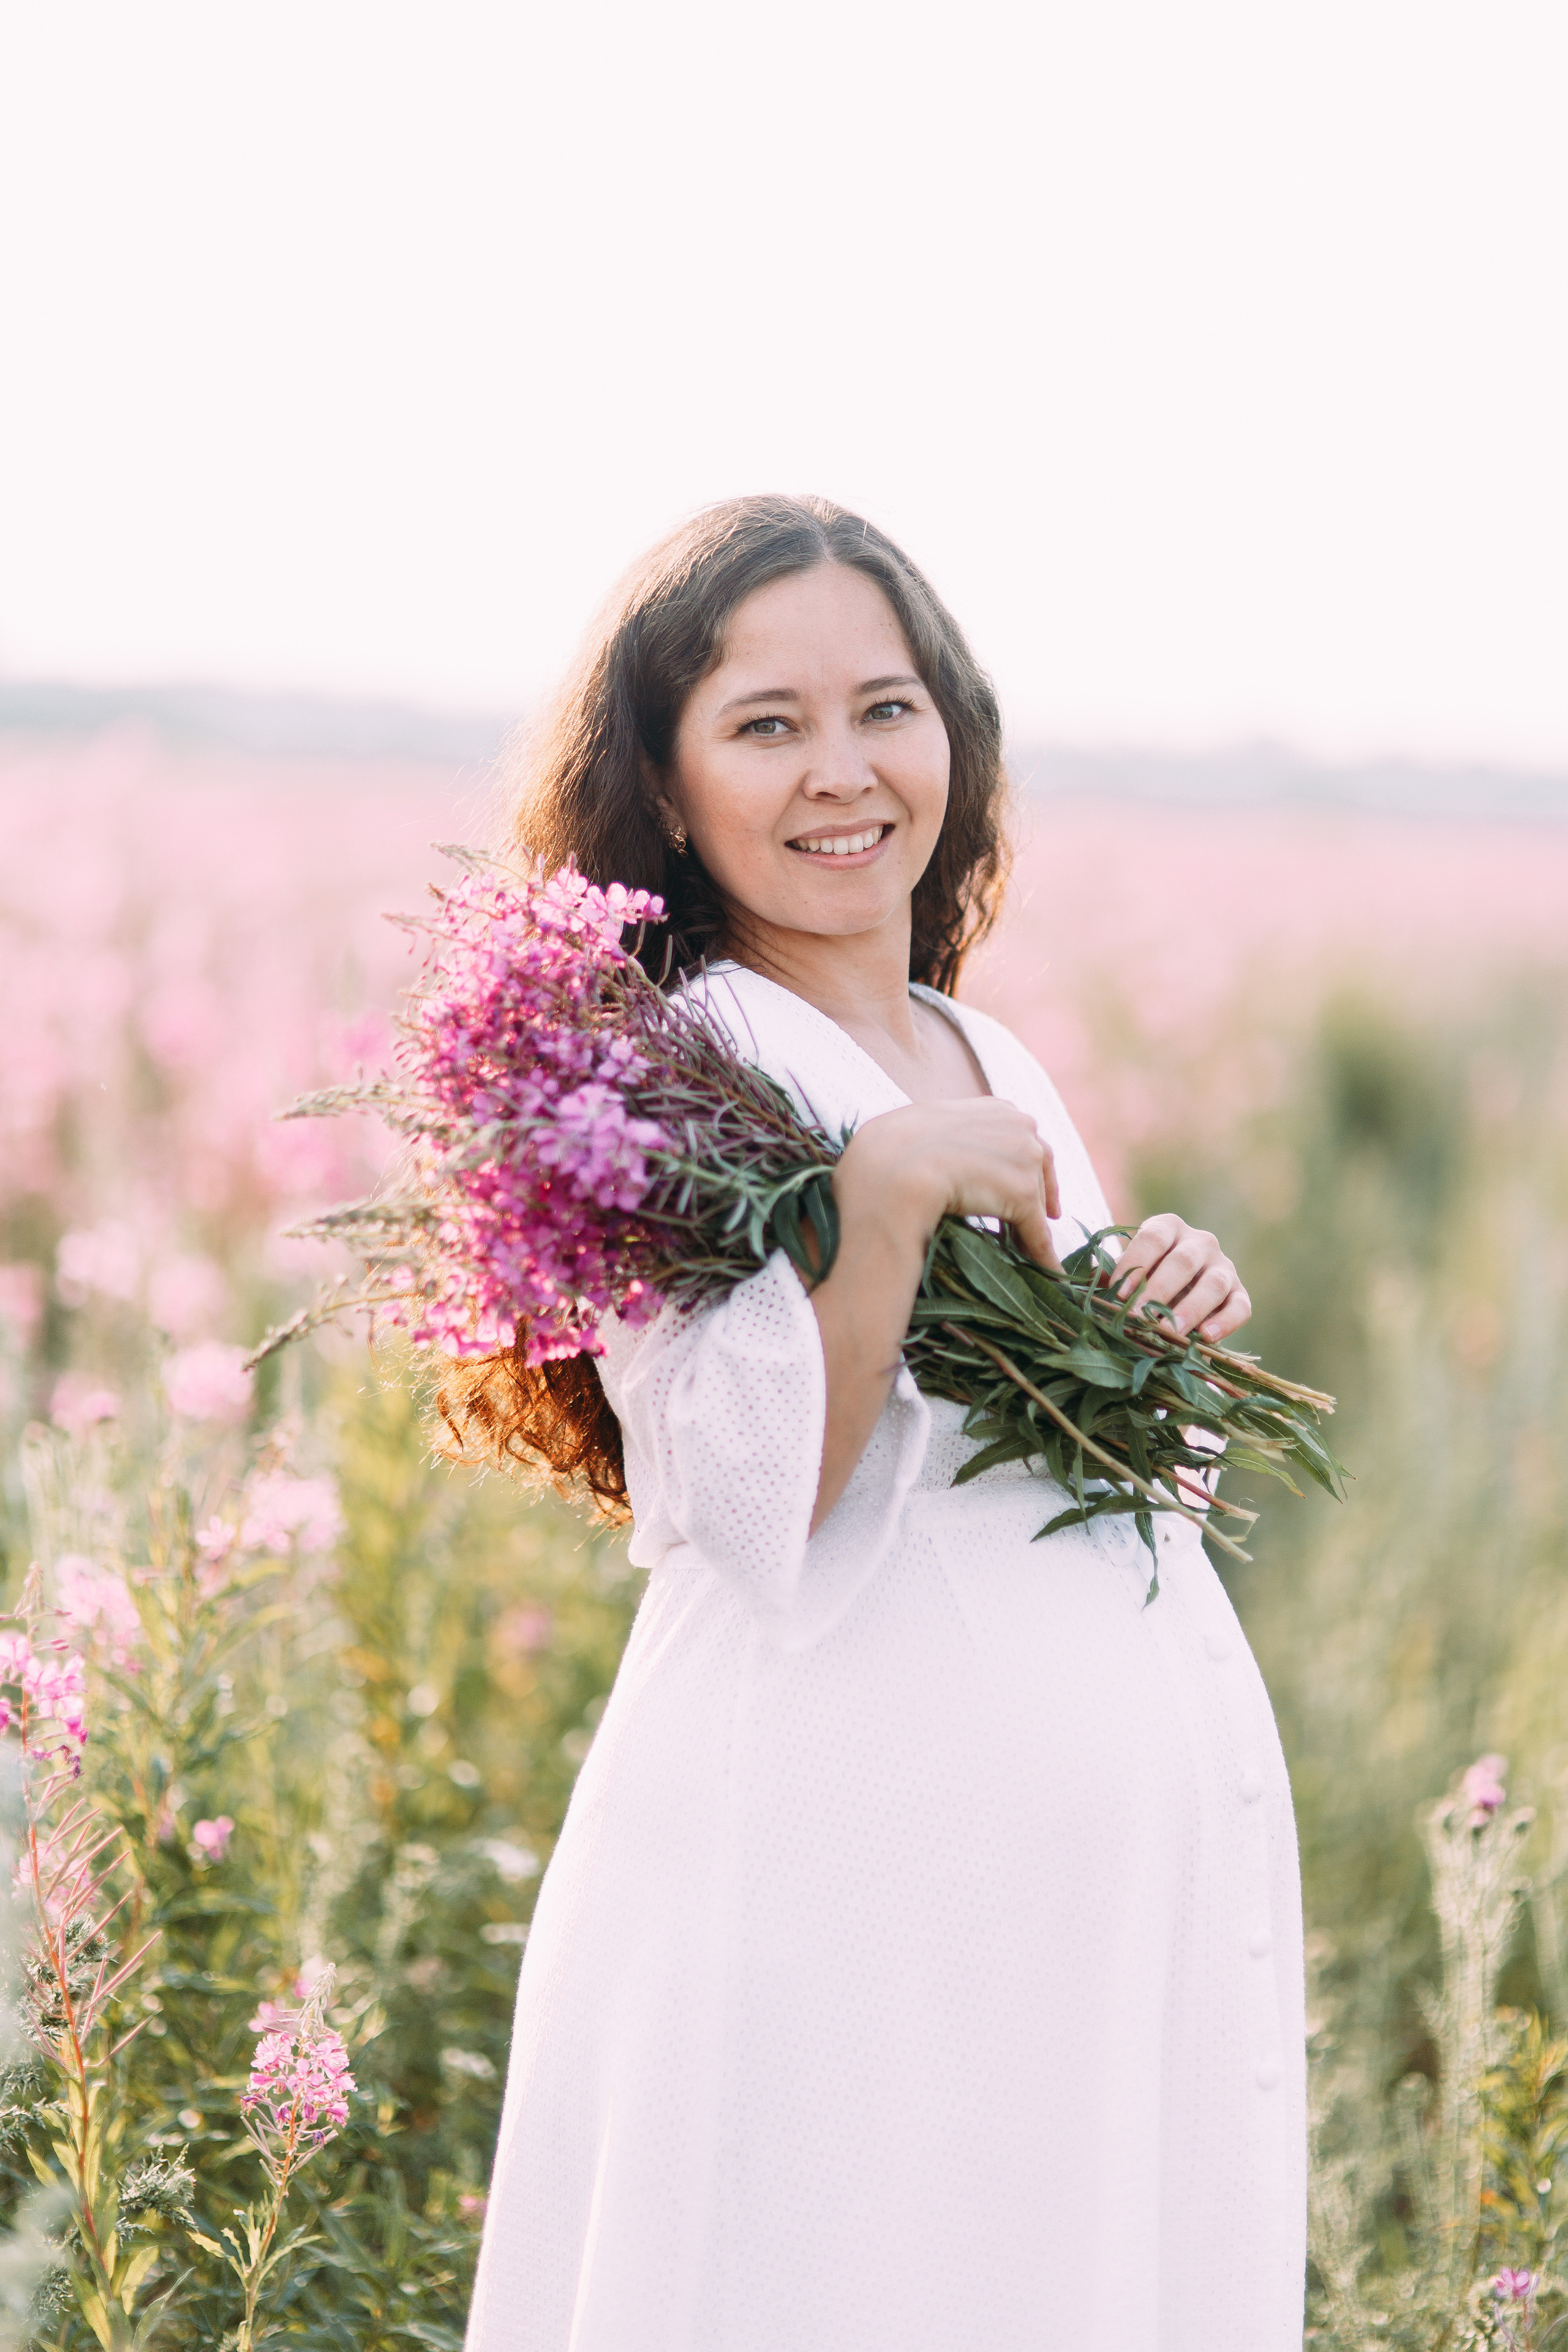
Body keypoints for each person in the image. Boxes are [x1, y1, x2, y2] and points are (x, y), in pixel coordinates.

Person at [460, 496, 1305, 2351]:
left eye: (885, 708)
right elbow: (752, 1491)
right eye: (767, 724)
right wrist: (878, 1204)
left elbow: (1091, 1480)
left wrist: (1159, 1315)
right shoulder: (674, 1071)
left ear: (954, 736)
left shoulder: (979, 1047)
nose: (842, 771)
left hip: (1037, 1933)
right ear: (667, 790)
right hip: (836, 1892)